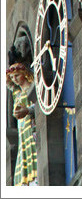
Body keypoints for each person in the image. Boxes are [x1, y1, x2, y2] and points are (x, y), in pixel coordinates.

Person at [6, 45, 38, 186]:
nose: (15, 80)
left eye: (17, 76)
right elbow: (11, 87)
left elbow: (40, 104)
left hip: (31, 129)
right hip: (22, 133)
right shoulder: (17, 94)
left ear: (24, 73)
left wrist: (28, 110)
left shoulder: (32, 87)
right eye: (13, 78)